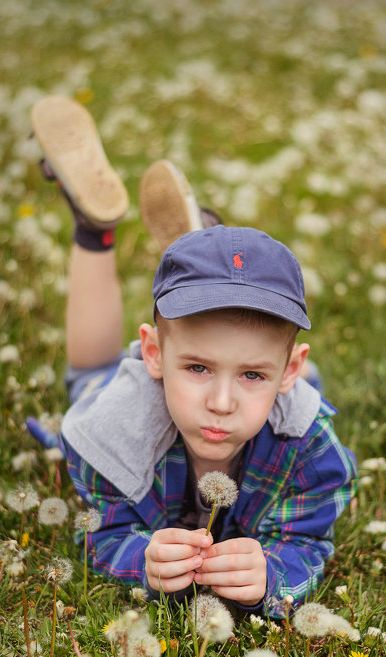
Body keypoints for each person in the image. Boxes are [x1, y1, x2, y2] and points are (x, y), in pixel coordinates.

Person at [29, 95, 357, 619]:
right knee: (91, 374)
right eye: (199, 368)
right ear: (153, 353)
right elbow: (102, 532)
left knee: (292, 394)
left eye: (252, 374)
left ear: (287, 371)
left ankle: (202, 258)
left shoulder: (311, 447)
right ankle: (96, 229)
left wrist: (274, 575)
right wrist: (142, 560)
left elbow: (308, 542)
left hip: (252, 380)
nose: (221, 403)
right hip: (137, 395)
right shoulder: (112, 430)